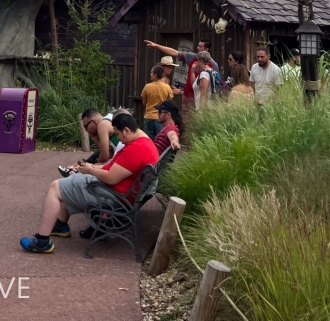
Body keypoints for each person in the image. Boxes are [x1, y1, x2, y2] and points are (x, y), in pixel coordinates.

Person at [20, 113, 159, 253]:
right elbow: (115, 168)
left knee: (55, 187)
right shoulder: (144, 143)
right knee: (70, 181)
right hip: (122, 194)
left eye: (117, 134)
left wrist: (90, 171)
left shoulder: (135, 149)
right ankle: (61, 226)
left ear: (126, 130)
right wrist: (91, 167)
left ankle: (42, 241)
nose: (118, 139)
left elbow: (111, 178)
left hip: (114, 197)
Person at [144, 39, 219, 107]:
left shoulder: (213, 65)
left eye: (200, 46)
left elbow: (215, 84)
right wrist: (156, 45)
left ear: (206, 49)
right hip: (188, 95)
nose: (197, 48)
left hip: (203, 98)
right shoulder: (192, 57)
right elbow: (174, 52)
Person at [140, 65, 173, 138]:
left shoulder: (147, 86)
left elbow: (144, 102)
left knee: (149, 140)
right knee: (160, 139)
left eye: (151, 73)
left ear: (155, 75)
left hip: (149, 116)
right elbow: (169, 103)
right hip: (161, 117)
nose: (150, 74)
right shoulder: (167, 87)